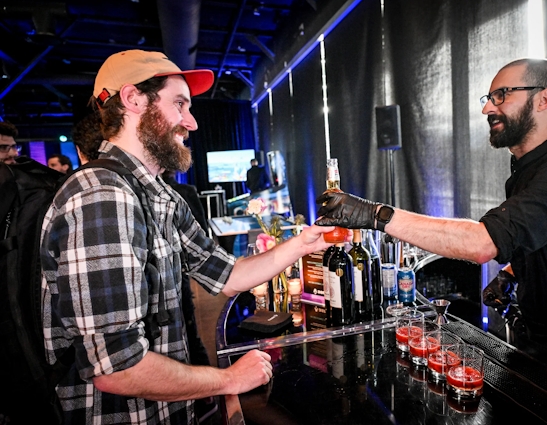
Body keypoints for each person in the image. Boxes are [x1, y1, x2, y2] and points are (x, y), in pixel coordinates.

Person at [40, 49, 336, 424]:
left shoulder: (158, 195)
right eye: (179, 104)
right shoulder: (102, 195)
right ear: (133, 99)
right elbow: (116, 369)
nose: (191, 122)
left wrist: (305, 242)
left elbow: (229, 275)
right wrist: (228, 379)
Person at [316, 58, 547, 394]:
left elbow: (482, 243)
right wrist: (510, 273)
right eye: (488, 98)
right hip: (534, 342)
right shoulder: (526, 173)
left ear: (543, 99)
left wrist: (375, 215)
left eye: (501, 95)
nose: (488, 108)